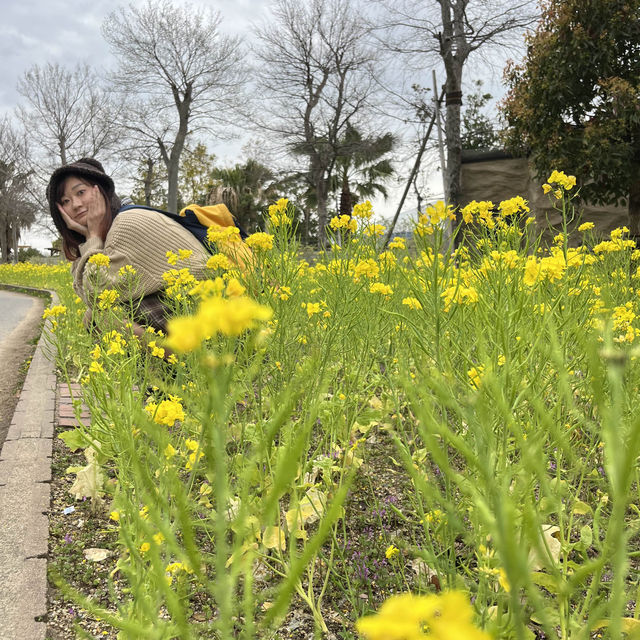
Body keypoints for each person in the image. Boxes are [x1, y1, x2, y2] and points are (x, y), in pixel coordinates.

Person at [46, 158, 211, 334]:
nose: (76, 205)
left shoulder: (125, 224)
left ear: (100, 190)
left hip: (208, 312)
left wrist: (92, 236)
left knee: (102, 315)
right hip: (191, 307)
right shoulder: (113, 226)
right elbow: (86, 289)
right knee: (96, 314)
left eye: (80, 192)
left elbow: (95, 295)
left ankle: (181, 359)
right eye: (65, 201)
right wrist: (89, 237)